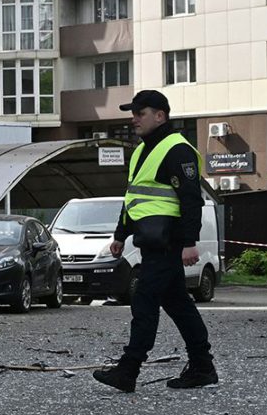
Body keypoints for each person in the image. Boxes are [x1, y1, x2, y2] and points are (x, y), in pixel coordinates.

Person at [93, 89, 218, 393]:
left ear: (160, 116)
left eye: (140, 113)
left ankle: (129, 369)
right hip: (150, 241)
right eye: (132, 113)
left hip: (168, 242)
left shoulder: (178, 149)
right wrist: (120, 235)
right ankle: (202, 367)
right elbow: (133, 196)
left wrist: (190, 242)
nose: (133, 119)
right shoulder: (141, 151)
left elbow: (191, 200)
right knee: (177, 303)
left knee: (144, 300)